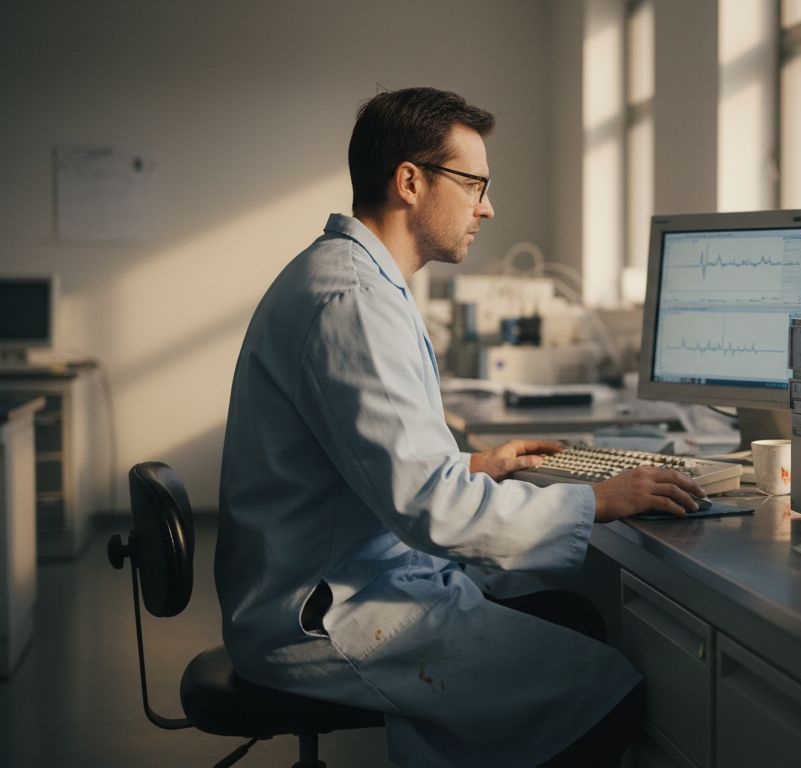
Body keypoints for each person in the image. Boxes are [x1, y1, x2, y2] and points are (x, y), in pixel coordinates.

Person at [215, 87, 705, 768]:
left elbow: (369, 463)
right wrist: (597, 499)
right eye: (474, 184)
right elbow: (431, 509)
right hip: (323, 613)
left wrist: (472, 466)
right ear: (410, 182)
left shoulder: (357, 279)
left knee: (570, 616)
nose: (487, 206)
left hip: (334, 577)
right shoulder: (353, 299)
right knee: (604, 691)